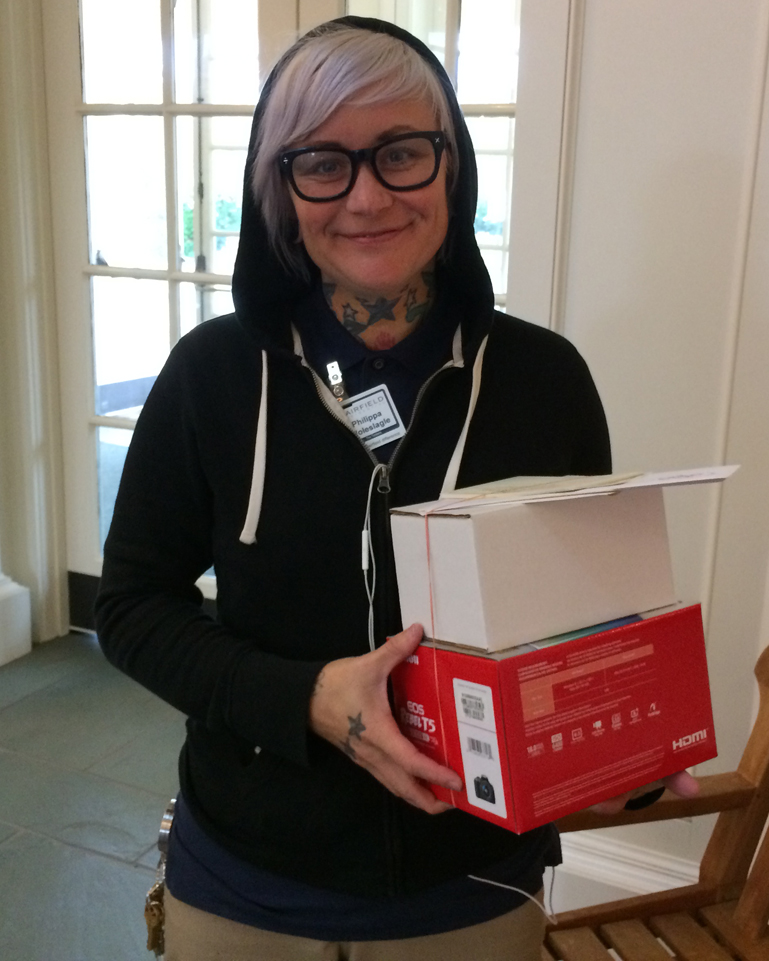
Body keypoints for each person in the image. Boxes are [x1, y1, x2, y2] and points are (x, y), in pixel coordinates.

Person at [95, 16, 696, 961]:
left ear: (451, 169)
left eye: (401, 153)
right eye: (322, 163)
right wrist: (305, 697)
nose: (367, 196)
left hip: (471, 892)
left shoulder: (543, 380)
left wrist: (619, 757)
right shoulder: (212, 375)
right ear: (279, 189)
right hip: (245, 885)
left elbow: (586, 628)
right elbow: (132, 607)